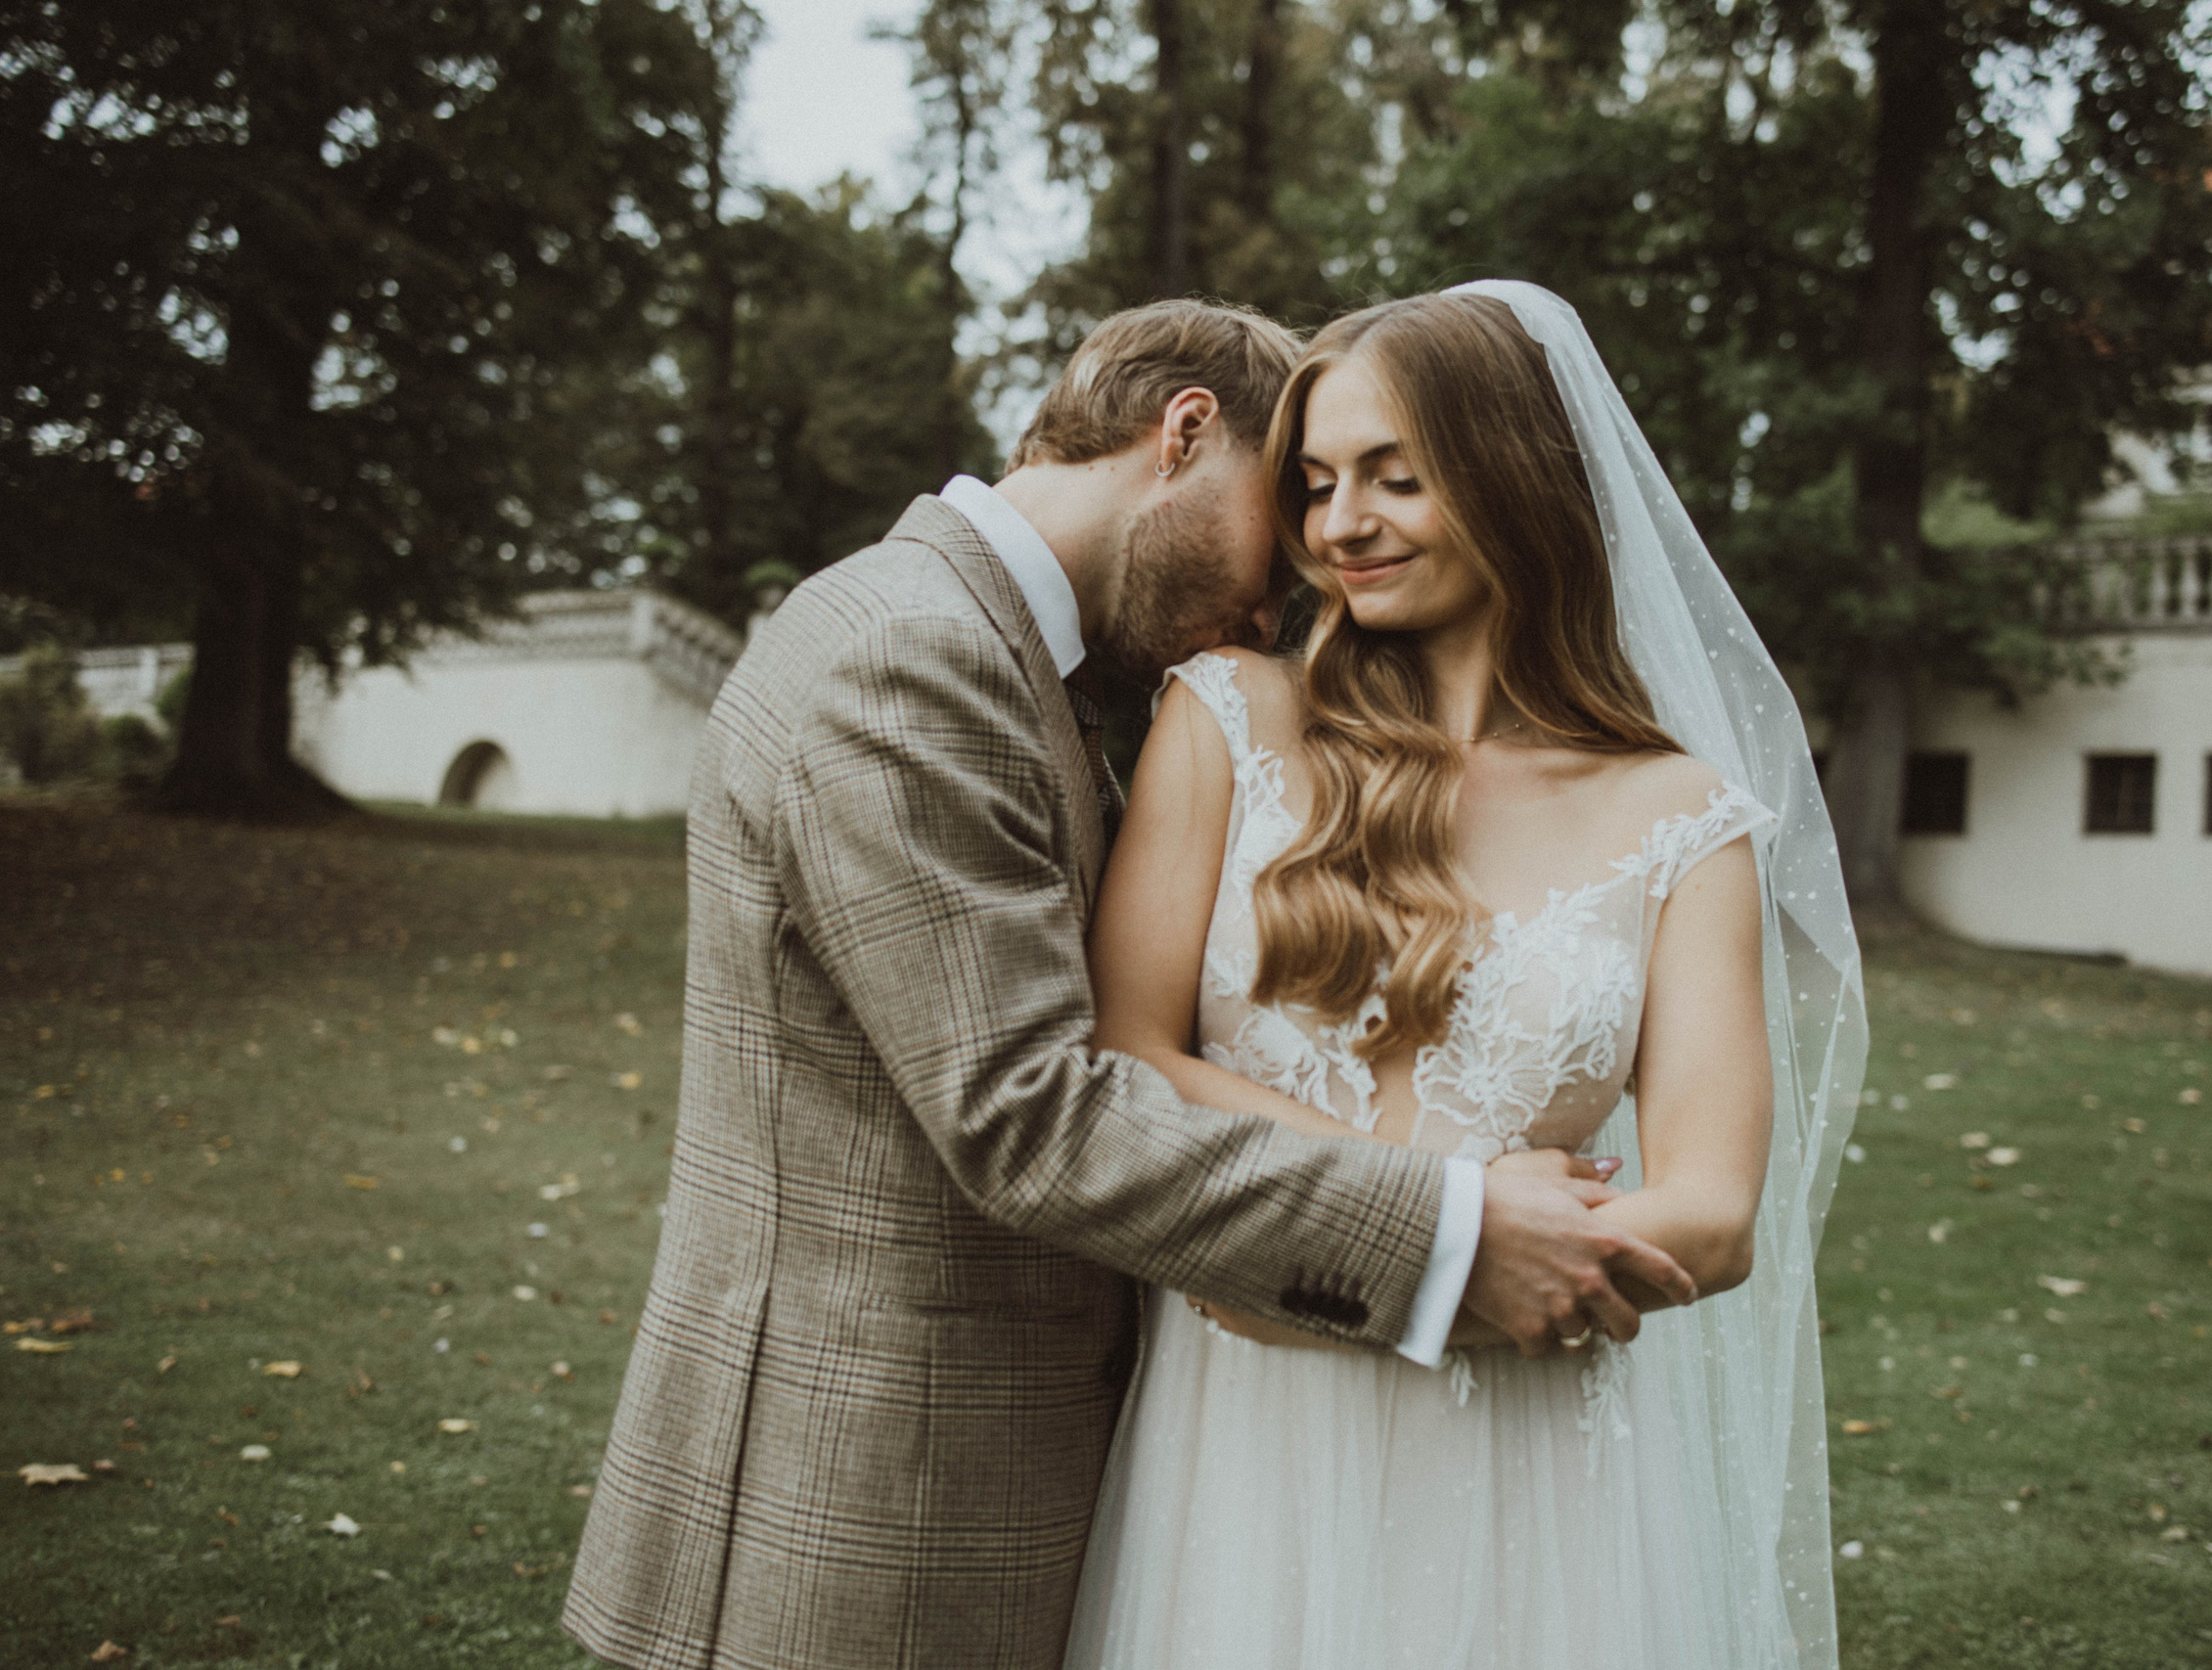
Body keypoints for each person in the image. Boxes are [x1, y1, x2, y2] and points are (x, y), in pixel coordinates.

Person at [562, 297, 1693, 1670]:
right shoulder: (907, 655)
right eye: (1281, 532)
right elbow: (1024, 1112)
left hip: (989, 1473)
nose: (1282, 605)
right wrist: (1447, 1229)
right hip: (856, 1493)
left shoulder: (1003, 656)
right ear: (1186, 434)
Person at [1062, 284, 1867, 1670]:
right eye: (1314, 484)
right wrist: (1441, 1228)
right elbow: (1132, 1059)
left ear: (1512, 476)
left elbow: (1716, 1212)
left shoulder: (1682, 817)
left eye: (1396, 476)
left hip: (1527, 1463)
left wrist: (1460, 1293)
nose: (1339, 527)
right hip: (1247, 1435)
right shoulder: (1226, 717)